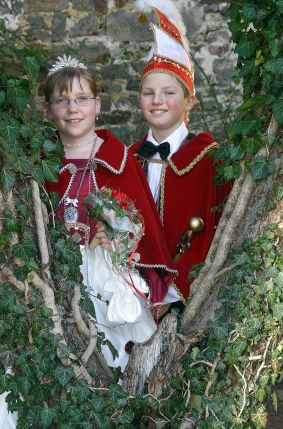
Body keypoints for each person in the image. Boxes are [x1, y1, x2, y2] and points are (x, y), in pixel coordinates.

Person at [41, 55, 177, 371]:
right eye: (62, 101)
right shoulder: (39, 162)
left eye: (82, 99)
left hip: (107, 277)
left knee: (116, 362)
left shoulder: (121, 161)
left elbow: (143, 227)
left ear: (97, 105)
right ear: (48, 110)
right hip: (54, 276)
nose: (73, 108)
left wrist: (119, 237)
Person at [130, 1, 232, 305]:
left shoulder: (209, 160)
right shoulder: (128, 158)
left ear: (189, 103)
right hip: (128, 296)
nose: (157, 100)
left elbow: (214, 236)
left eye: (169, 93)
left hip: (185, 300)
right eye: (149, 93)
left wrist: (172, 296)